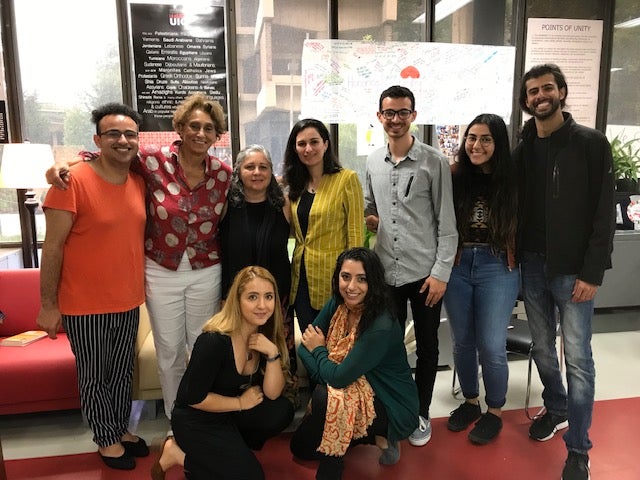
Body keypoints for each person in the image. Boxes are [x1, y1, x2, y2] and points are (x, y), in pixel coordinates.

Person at [47, 93, 232, 421]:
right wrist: (63, 165)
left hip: (207, 269)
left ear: (217, 134)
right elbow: (103, 156)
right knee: (169, 354)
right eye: (193, 125)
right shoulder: (151, 161)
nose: (200, 133)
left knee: (203, 349)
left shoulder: (223, 174)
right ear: (180, 127)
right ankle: (179, 422)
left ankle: (205, 420)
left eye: (208, 128)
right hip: (161, 269)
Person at [514, 64, 615, 480]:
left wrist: (592, 273)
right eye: (533, 91)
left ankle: (578, 448)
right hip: (532, 266)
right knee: (541, 349)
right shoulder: (522, 149)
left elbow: (603, 213)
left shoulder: (590, 144)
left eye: (547, 88)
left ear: (561, 92)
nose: (540, 96)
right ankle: (555, 406)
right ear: (526, 100)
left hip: (573, 271)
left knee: (577, 359)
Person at [36, 103, 149, 470]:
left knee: (121, 372)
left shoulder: (137, 181)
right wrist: (48, 305)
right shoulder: (72, 181)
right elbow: (51, 248)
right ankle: (105, 438)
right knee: (94, 375)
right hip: (84, 304)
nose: (123, 140)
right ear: (97, 139)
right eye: (113, 134)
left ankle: (119, 428)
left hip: (128, 300)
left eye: (130, 134)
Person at [364, 85, 458, 446]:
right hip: (387, 273)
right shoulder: (373, 161)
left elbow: (447, 225)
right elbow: (371, 207)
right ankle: (393, 406)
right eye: (389, 113)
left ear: (413, 116)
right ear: (379, 117)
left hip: (424, 275)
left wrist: (440, 274)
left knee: (429, 347)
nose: (396, 119)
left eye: (403, 112)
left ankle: (419, 413)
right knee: (387, 343)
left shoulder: (433, 162)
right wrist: (374, 219)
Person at [150, 266, 295, 480]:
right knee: (251, 477)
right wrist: (240, 403)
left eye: (268, 297)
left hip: (227, 416)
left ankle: (229, 453)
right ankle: (177, 453)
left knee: (281, 410)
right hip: (196, 420)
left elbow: (273, 394)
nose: (262, 305)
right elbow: (191, 398)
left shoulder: (263, 335)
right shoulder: (213, 341)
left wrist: (273, 354)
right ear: (236, 301)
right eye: (252, 297)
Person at [290, 247, 419, 480]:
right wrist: (329, 370)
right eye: (345, 276)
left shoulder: (381, 323)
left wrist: (320, 351)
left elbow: (334, 374)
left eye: (362, 279)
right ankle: (373, 437)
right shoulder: (338, 304)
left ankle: (335, 465)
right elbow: (303, 348)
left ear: (375, 283)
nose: (351, 287)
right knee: (300, 449)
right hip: (350, 387)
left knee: (325, 396)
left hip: (389, 402)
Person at [444, 113, 519, 445]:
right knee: (462, 341)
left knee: (491, 345)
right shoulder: (454, 176)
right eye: (471, 137)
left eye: (485, 138)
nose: (476, 145)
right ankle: (471, 402)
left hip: (497, 264)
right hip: (459, 264)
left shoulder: (515, 180)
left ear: (498, 143)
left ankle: (495, 411)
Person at [219, 144, 296, 376]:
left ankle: (280, 399)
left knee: (277, 350)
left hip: (276, 296)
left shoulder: (283, 205)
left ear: (271, 172)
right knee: (239, 354)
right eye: (250, 167)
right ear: (238, 171)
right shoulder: (226, 206)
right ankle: (241, 402)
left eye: (263, 167)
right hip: (236, 297)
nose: (257, 172)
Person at [284, 118, 364, 331]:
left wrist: (352, 280)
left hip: (334, 278)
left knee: (334, 344)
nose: (308, 149)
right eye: (301, 144)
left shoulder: (346, 179)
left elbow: (355, 235)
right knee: (310, 341)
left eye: (314, 142)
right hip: (300, 278)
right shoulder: (296, 184)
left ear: (326, 144)